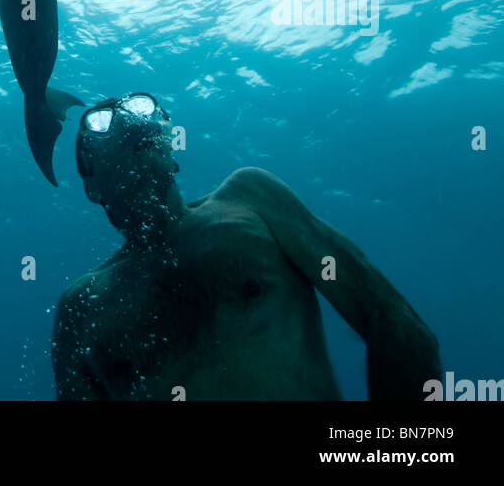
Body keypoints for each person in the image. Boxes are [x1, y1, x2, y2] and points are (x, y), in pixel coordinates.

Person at [52, 93, 441, 401]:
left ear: (171, 150)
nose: (125, 121)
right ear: (91, 185)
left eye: (138, 113)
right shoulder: (79, 307)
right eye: (101, 125)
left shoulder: (250, 198)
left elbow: (395, 324)